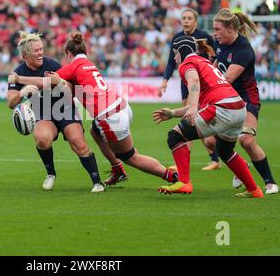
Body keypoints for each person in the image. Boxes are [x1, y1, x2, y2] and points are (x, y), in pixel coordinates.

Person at [10, 32, 178, 187]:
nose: (41, 52)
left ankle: (171, 176)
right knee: (95, 132)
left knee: (131, 157)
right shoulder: (88, 64)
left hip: (110, 116)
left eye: (41, 49)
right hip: (122, 106)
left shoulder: (70, 67)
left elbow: (47, 82)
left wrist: (19, 79)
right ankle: (117, 170)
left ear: (69, 54)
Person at [153, 35, 263, 198]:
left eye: (175, 53)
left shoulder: (187, 63)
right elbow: (199, 101)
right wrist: (172, 113)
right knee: (225, 151)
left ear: (181, 51)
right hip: (239, 109)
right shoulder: (203, 62)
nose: (174, 58)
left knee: (175, 136)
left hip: (222, 108)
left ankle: (183, 182)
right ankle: (254, 190)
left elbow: (194, 82)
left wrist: (192, 107)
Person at [7, 31, 107, 193]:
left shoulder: (52, 65)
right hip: (43, 113)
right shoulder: (19, 72)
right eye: (36, 50)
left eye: (41, 49)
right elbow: (11, 103)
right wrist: (21, 93)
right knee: (42, 139)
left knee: (78, 143)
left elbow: (71, 88)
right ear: (25, 55)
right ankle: (51, 174)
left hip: (65, 109)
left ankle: (97, 182)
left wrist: (61, 84)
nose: (40, 53)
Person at [212, 8, 279, 195]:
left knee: (247, 141)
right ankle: (243, 169)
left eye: (218, 29)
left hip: (247, 100)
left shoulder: (243, 49)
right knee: (221, 148)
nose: (215, 33)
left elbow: (227, 79)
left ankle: (270, 183)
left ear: (231, 29)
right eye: (214, 29)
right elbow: (215, 67)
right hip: (227, 100)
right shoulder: (220, 43)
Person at [157, 8, 221, 171]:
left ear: (195, 21)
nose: (185, 20)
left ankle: (215, 158)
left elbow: (215, 56)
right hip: (187, 83)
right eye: (183, 18)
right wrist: (165, 81)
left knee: (200, 119)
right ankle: (187, 160)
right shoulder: (177, 38)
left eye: (189, 18)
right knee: (189, 119)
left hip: (203, 84)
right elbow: (172, 61)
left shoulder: (205, 36)